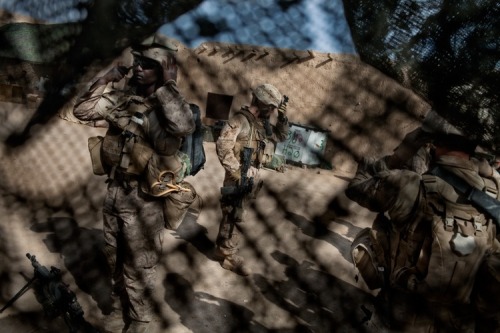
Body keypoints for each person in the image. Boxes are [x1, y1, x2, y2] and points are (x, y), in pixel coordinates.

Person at [73, 33, 196, 333]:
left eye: (149, 64)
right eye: (138, 62)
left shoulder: (170, 108)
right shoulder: (124, 99)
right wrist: (105, 78)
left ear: (165, 69)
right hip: (115, 191)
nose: (139, 68)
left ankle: (141, 320)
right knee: (113, 257)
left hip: (145, 199)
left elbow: (184, 125)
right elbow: (82, 110)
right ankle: (118, 309)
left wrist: (169, 85)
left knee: (139, 264)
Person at [346, 110, 500, 332]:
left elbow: (357, 187)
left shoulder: (409, 184)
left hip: (401, 317)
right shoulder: (493, 195)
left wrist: (398, 157)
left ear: (432, 141)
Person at [214, 83, 289, 276]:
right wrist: (238, 172)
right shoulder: (240, 120)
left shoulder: (261, 124)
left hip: (251, 177)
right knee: (234, 213)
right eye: (272, 107)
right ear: (262, 103)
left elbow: (281, 136)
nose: (272, 111)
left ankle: (222, 247)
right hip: (237, 176)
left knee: (234, 213)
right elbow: (223, 147)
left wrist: (282, 117)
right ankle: (229, 256)